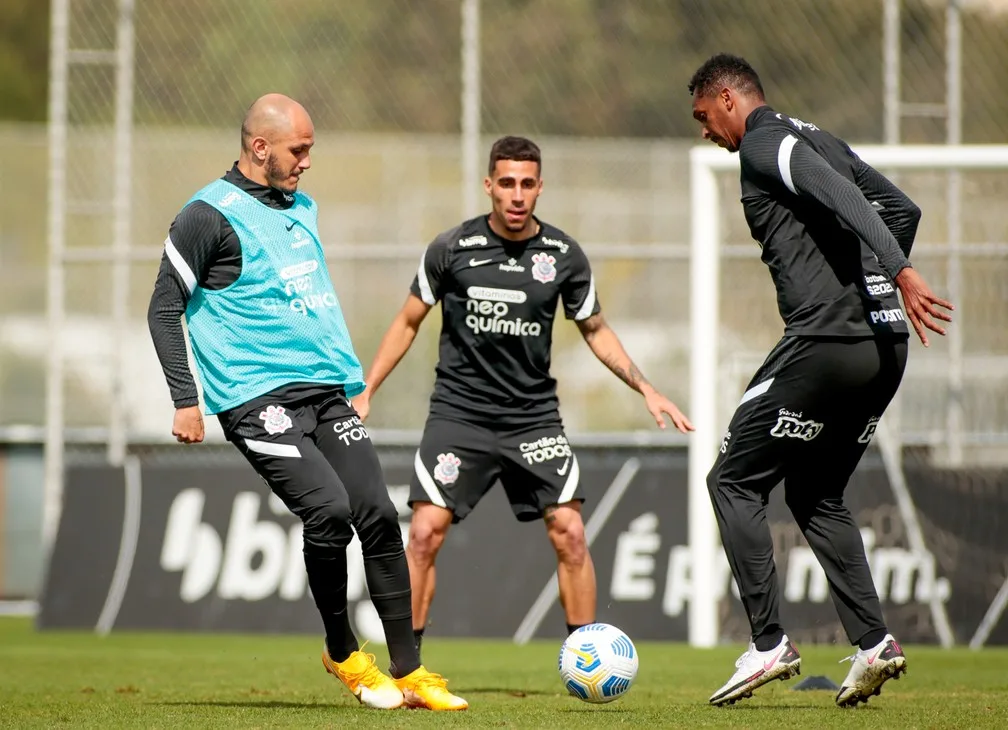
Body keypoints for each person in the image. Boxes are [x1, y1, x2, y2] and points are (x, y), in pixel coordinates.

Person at [146, 93, 467, 712]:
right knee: (329, 509)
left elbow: (305, 300)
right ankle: (343, 652)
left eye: (310, 149)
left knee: (375, 510)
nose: (307, 162)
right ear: (259, 147)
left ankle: (410, 672)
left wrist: (349, 382)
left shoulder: (302, 206)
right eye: (300, 149)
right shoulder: (206, 215)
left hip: (325, 393)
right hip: (256, 396)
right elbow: (163, 307)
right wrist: (186, 400)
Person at [353, 135, 694, 656]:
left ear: (540, 188)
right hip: (459, 415)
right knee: (422, 533)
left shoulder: (562, 256)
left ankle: (587, 659)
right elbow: (407, 321)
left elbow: (596, 330)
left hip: (532, 419)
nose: (516, 195)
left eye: (527, 184)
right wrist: (368, 388)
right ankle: (407, 667)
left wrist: (646, 388)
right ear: (489, 185)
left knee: (571, 533)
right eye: (506, 183)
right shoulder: (451, 249)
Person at [686, 54, 954, 708]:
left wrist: (897, 270)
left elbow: (838, 194)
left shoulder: (765, 143)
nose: (704, 132)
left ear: (727, 99)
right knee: (813, 490)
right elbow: (900, 205)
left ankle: (769, 643)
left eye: (702, 117)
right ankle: (873, 644)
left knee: (731, 479)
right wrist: (879, 278)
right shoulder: (817, 135)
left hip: (828, 341)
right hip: (886, 346)